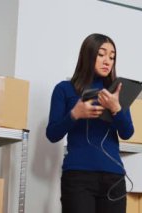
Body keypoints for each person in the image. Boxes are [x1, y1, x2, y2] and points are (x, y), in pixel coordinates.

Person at [46, 33, 134, 213]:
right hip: (78, 177)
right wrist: (75, 114)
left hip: (114, 177)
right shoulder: (64, 89)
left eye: (112, 57)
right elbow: (52, 134)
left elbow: (127, 132)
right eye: (101, 54)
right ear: (88, 55)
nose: (107, 61)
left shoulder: (116, 92)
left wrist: (116, 108)